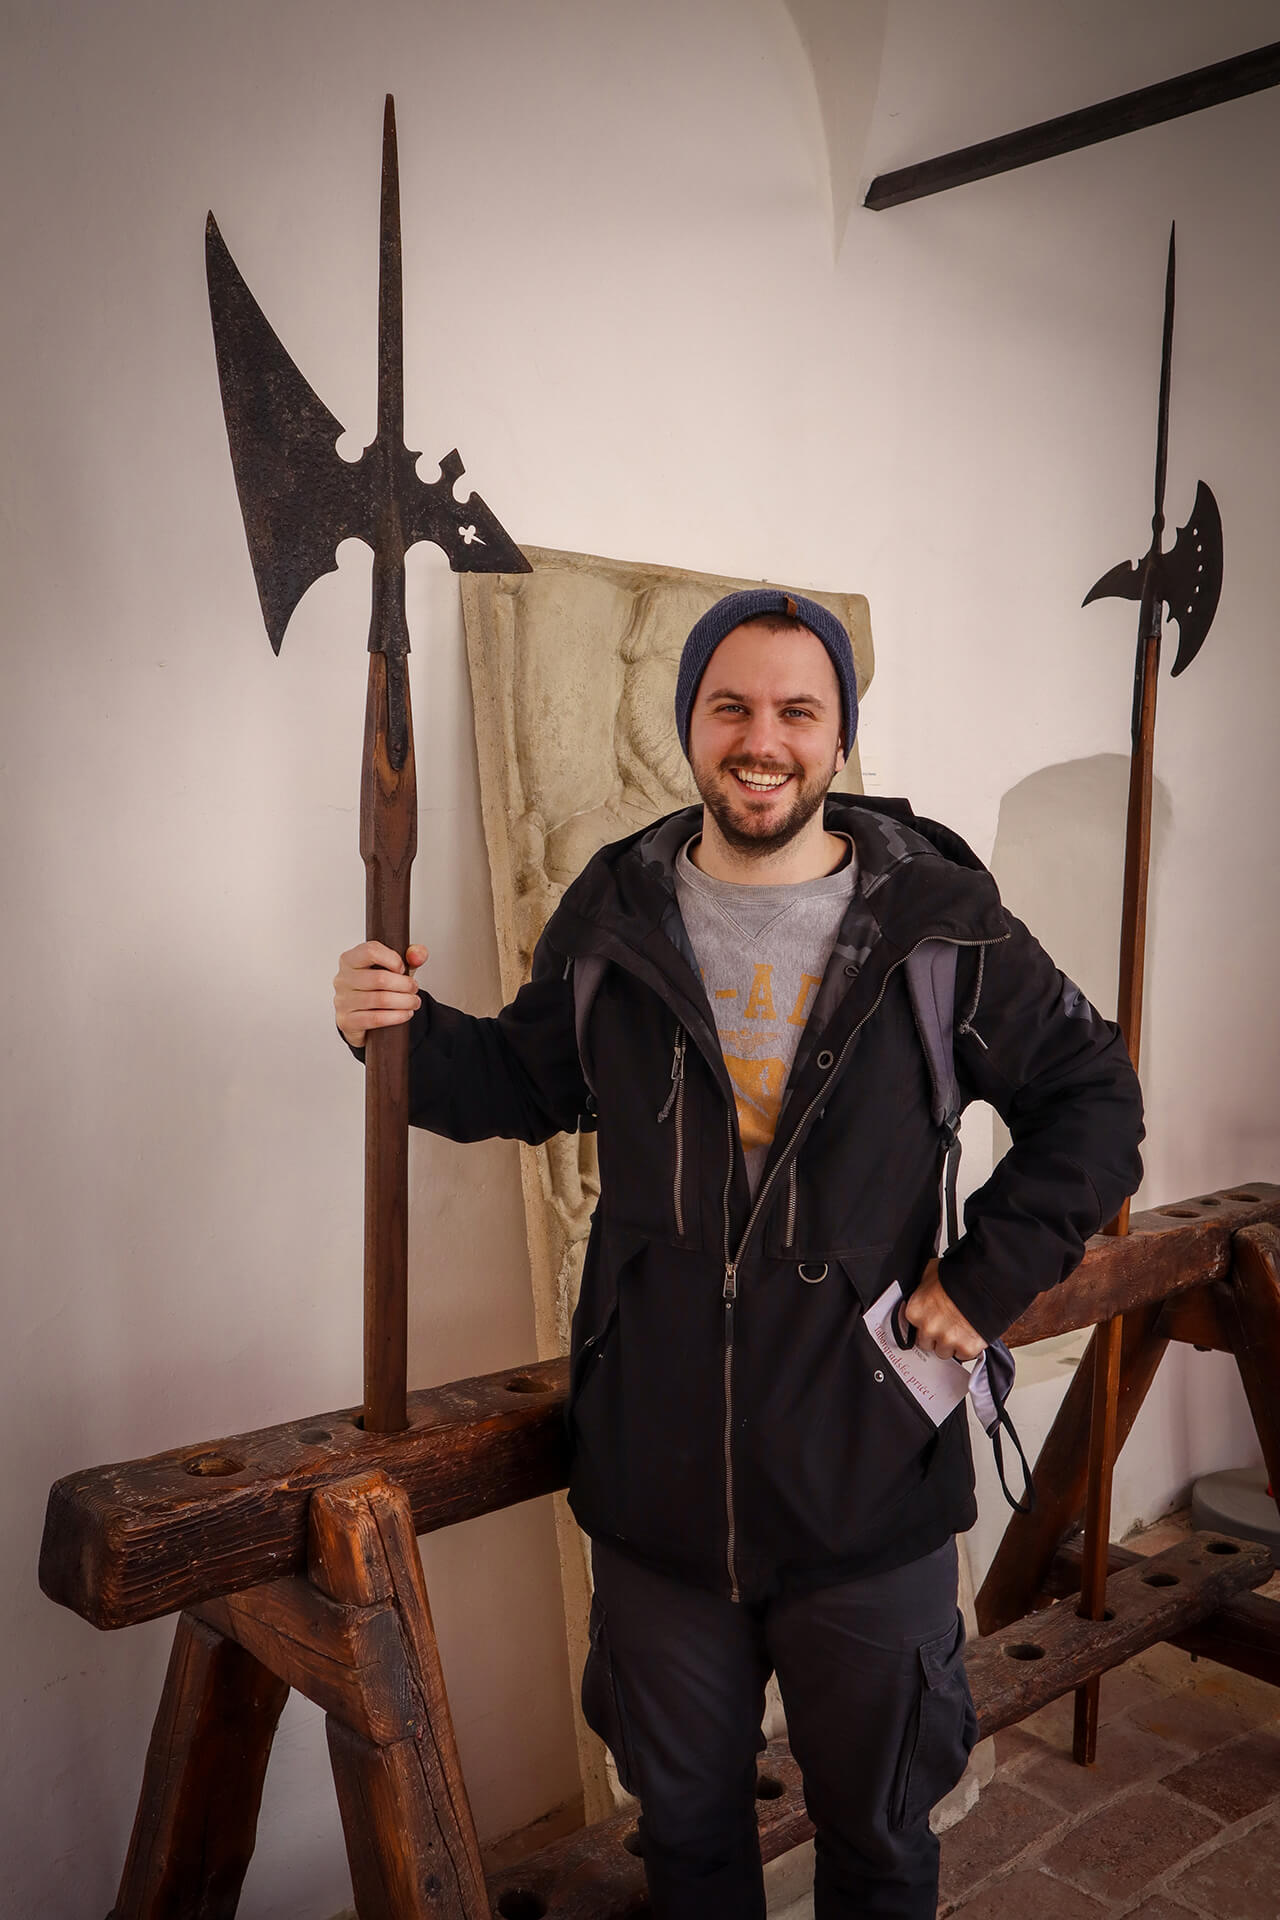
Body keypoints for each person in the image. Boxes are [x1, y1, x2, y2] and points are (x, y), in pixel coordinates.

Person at [334, 587, 1144, 1920]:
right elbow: (521, 1082)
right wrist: (395, 1029)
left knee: (879, 1842)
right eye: (732, 707)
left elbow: (1096, 1101)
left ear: (837, 737)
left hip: (868, 1487)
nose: (762, 740)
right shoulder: (618, 912)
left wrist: (985, 1276)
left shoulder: (939, 924)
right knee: (690, 1848)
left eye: (796, 711)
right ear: (692, 726)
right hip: (656, 1493)